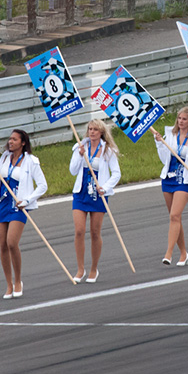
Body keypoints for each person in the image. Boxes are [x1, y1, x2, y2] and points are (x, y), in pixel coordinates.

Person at [0, 129, 47, 299]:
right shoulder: (4, 158)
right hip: (2, 204)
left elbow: (42, 186)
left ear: (23, 142)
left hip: (19, 205)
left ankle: (18, 280)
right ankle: (9, 284)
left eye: (14, 139)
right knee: (3, 245)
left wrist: (27, 200)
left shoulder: (31, 161)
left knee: (12, 242)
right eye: (10, 139)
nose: (10, 142)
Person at [154, 106, 188, 266]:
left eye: (184, 119)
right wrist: (159, 144)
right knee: (175, 218)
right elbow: (165, 159)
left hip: (184, 180)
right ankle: (183, 253)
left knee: (174, 216)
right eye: (179, 118)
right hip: (168, 179)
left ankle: (169, 253)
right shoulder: (170, 134)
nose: (181, 121)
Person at [70, 119, 121, 282]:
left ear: (101, 133)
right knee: (79, 230)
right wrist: (79, 155)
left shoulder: (108, 150)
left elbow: (116, 174)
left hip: (99, 193)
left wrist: (105, 188)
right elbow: (72, 170)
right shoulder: (80, 147)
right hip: (81, 192)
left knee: (94, 232)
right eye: (90, 129)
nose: (92, 132)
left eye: (95, 130)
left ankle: (94, 269)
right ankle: (80, 269)